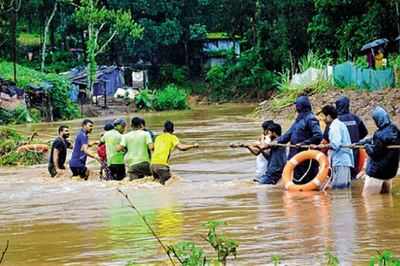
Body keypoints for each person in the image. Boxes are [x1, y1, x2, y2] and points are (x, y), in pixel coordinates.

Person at [276, 95, 323, 184]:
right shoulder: (298, 120)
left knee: (306, 180)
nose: (295, 108)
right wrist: (274, 142)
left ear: (301, 106)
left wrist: (304, 143)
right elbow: (288, 135)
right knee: (296, 180)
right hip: (295, 157)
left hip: (306, 157)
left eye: (297, 105)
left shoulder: (311, 118)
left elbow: (318, 135)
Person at [359, 106, 400, 195]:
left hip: (377, 173)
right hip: (390, 172)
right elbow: (381, 144)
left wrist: (366, 147)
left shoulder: (379, 134)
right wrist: (367, 141)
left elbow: (375, 153)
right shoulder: (395, 130)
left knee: (367, 200)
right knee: (386, 201)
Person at [151, 120, 199, 185]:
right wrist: (193, 146)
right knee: (167, 185)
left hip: (152, 165)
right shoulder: (172, 137)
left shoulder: (157, 137)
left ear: (164, 129)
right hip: (162, 166)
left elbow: (152, 148)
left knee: (156, 184)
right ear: (172, 130)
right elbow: (181, 148)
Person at [319, 105, 354, 189]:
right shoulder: (340, 124)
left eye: (323, 116)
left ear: (328, 116)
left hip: (340, 161)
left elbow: (336, 144)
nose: (322, 119)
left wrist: (324, 145)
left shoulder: (334, 127)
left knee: (339, 190)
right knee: (344, 189)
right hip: (345, 161)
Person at [335, 96, 368, 178]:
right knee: (353, 176)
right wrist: (356, 139)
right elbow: (365, 132)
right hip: (354, 150)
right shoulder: (355, 118)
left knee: (342, 177)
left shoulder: (336, 120)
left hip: (342, 154)